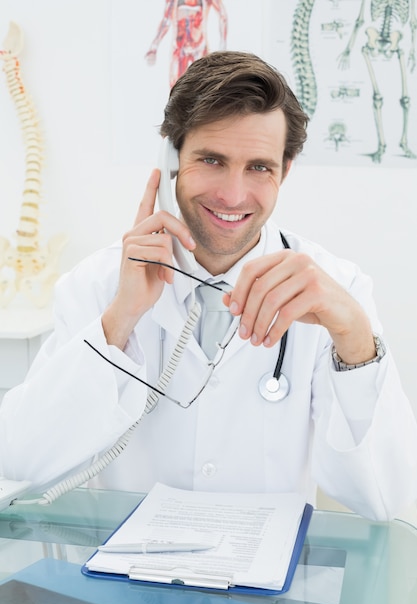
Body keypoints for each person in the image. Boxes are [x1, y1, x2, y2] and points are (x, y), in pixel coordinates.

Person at [1, 51, 416, 521]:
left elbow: (384, 498)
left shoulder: (336, 290)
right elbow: (20, 458)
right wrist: (120, 320)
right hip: (124, 587)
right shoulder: (97, 285)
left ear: (286, 169)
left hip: (265, 589)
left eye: (259, 167)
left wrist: (356, 341)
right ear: (172, 157)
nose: (233, 195)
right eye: (212, 160)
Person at [145, 0, 228, 87]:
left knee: (202, 87)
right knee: (175, 87)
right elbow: (166, 22)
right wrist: (153, 47)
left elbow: (223, 16)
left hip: (199, 48)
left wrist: (223, 47)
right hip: (179, 49)